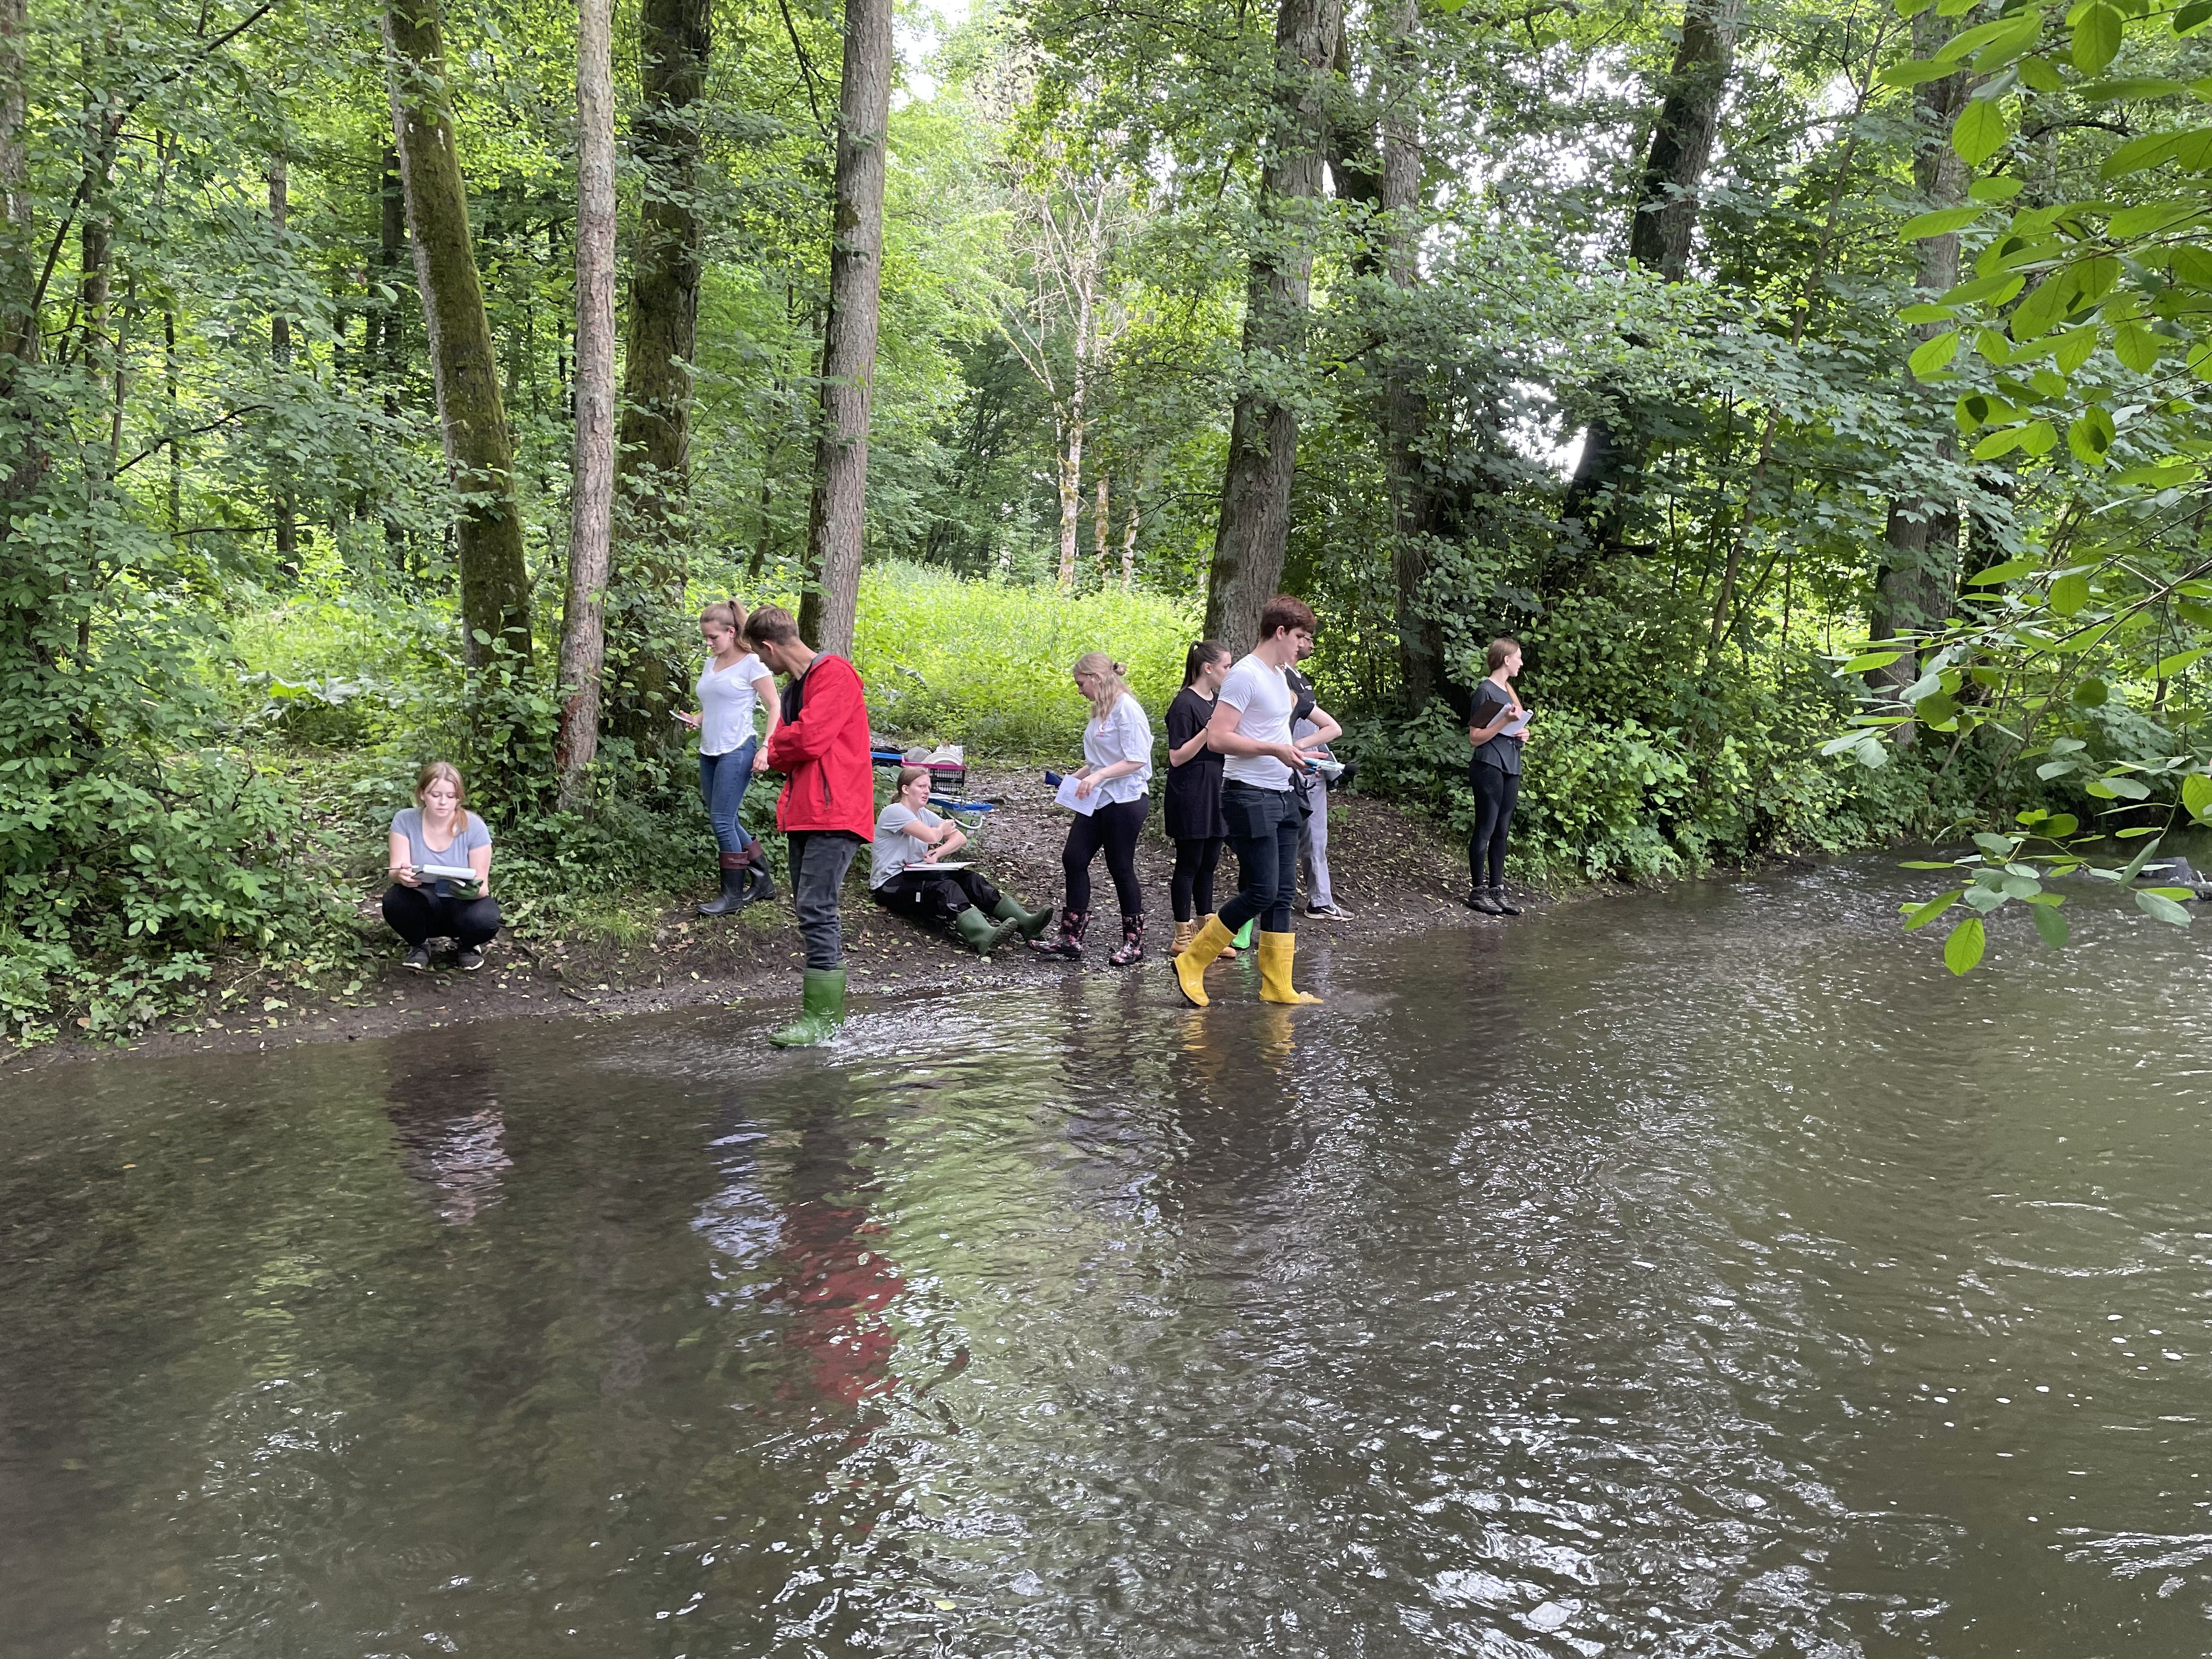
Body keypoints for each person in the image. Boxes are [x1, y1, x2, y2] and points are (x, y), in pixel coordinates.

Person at [1172, 595, 1326, 1008]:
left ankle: (1277, 984)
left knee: (1281, 892)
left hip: (1284, 792)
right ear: (1280, 632)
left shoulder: (1280, 675)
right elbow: (1220, 738)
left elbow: (1274, 733)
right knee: (1259, 891)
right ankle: (1192, 959)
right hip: (1247, 795)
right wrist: (1275, 752)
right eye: (1299, 637)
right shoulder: (1245, 675)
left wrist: (1297, 754)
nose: (1302, 646)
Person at [745, 604, 875, 1046]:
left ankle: (822, 1020)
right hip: (805, 811)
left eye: (763, 658)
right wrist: (784, 743)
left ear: (769, 646)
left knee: (817, 907)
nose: (764, 666)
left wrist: (776, 742)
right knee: (809, 908)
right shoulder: (794, 690)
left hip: (836, 812)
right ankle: (823, 1016)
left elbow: (810, 739)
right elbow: (793, 745)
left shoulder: (835, 674)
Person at [1034, 651, 1154, 966]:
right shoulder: (1101, 710)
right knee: (1073, 858)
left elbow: (1137, 759)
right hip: (1097, 798)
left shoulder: (1128, 709)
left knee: (1120, 867)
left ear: (1097, 678)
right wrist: (1074, 779)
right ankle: (1071, 938)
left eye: (1080, 683)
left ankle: (1134, 943)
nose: (1079, 690)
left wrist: (1099, 775)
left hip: (1125, 800)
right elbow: (1098, 760)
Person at [870, 766, 1054, 955]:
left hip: (915, 874)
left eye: (929, 787)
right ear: (906, 789)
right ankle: (982, 935)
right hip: (889, 886)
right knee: (946, 888)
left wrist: (937, 853)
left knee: (971, 879)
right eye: (922, 786)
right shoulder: (894, 812)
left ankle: (1024, 923)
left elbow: (960, 838)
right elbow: (931, 836)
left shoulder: (924, 814)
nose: (927, 791)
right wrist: (941, 830)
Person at [677, 599, 781, 916]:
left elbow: (775, 705)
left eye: (713, 638)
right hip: (709, 750)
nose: (708, 644)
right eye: (705, 638)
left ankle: (732, 896)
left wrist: (766, 747)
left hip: (739, 748)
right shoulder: (712, 663)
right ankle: (762, 883)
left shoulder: (753, 663)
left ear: (732, 631)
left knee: (721, 821)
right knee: (726, 818)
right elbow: (719, 703)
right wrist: (697, 718)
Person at [383, 760, 500, 973]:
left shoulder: (475, 826)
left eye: (450, 796)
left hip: (462, 900)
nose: (443, 802)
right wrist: (402, 876)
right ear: (422, 794)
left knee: (486, 918)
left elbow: (483, 887)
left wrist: (470, 891)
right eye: (435, 795)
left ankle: (468, 946)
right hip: (422, 896)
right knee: (395, 900)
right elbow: (394, 871)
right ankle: (419, 944)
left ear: (459, 797)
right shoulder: (405, 820)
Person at [1164, 640, 1237, 960]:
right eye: (1225, 666)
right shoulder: (1184, 704)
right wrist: (1208, 730)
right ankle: (1182, 934)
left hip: (1216, 789)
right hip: (1191, 790)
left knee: (1209, 863)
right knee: (1190, 863)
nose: (1229, 672)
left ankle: (1208, 933)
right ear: (1208, 668)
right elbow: (1177, 757)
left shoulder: (1218, 702)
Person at [1284, 639, 1350, 922]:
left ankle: (1319, 898)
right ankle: (1313, 900)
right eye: (1305, 636)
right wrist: (1298, 750)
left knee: (1316, 836)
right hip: (1296, 766)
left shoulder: (1301, 678)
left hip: (1314, 765)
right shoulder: (1279, 677)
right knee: (1303, 834)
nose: (1312, 642)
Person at [1466, 636, 1530, 915]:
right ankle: (1478, 890)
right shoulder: (1485, 691)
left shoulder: (1509, 691)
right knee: (1486, 827)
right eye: (1518, 657)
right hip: (1489, 765)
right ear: (1506, 659)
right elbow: (1475, 738)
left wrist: (1524, 733)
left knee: (1502, 830)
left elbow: (1513, 729)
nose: (1521, 662)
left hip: (1511, 765)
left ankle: (1497, 889)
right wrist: (1505, 720)